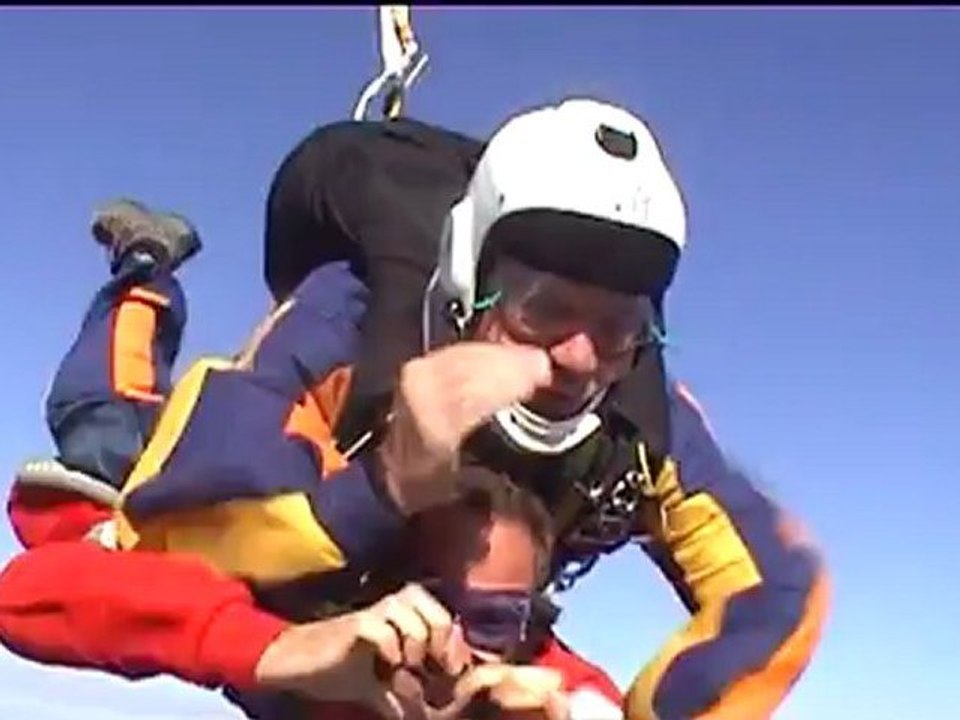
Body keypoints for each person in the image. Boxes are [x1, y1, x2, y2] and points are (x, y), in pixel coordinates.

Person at [3, 97, 830, 719]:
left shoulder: (632, 427)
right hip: (299, 519)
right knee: (102, 439)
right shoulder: (351, 326)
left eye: (619, 328)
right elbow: (130, 547)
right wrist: (368, 512)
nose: (580, 360)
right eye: (543, 311)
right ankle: (146, 267)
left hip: (339, 571)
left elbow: (779, 592)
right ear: (468, 292)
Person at [0, 200, 622, 720]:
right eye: (432, 604)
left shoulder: (519, 671)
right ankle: (146, 265)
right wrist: (284, 649)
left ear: (527, 624)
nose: (454, 651)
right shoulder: (327, 632)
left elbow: (592, 693)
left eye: (492, 621)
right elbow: (28, 592)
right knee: (101, 415)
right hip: (142, 499)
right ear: (379, 592)